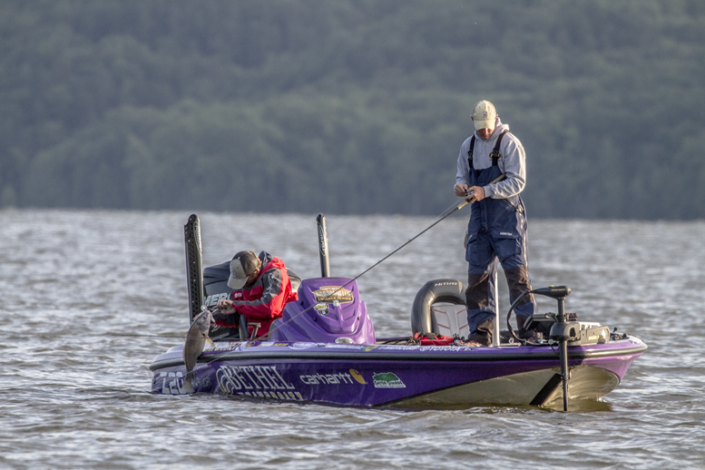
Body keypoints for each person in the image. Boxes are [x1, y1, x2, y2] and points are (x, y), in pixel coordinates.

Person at [454, 100, 537, 345]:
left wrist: (485, 191)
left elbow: (517, 182)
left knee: (517, 276)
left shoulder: (509, 143)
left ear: (496, 119)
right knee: (477, 278)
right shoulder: (467, 147)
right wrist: (460, 186)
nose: (485, 132)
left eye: (488, 127)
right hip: (479, 221)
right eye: (480, 127)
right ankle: (481, 333)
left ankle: (528, 331)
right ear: (473, 123)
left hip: (508, 219)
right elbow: (462, 175)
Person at [215, 250, 298, 338]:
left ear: (256, 272)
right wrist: (213, 316)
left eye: (244, 280)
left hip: (282, 336)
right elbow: (237, 314)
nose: (241, 284)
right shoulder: (241, 283)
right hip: (254, 339)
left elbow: (270, 308)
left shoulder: (274, 275)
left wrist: (236, 305)